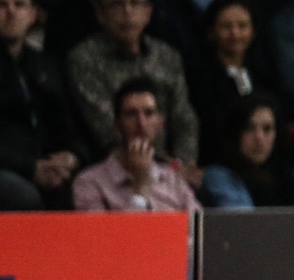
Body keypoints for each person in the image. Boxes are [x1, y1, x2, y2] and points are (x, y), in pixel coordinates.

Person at [67, 0, 201, 169]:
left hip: (173, 168)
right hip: (116, 166)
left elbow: (184, 118)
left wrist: (182, 164)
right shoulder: (84, 58)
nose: (128, 11)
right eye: (117, 4)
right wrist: (163, 169)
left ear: (148, 13)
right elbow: (106, 128)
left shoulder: (167, 56)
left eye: (135, 3)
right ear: (101, 15)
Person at [0, 0, 86, 210]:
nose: (11, 12)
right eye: (1, 5)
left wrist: (71, 155)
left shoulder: (47, 65)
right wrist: (30, 167)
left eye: (19, 5)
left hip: (46, 164)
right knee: (21, 196)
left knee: (89, 188)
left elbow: (70, 122)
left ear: (33, 15)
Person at [72, 78, 200, 212]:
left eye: (149, 113)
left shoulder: (173, 179)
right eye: (131, 114)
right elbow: (98, 233)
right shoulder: (89, 182)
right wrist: (141, 188)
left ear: (160, 122)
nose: (141, 124)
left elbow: (199, 229)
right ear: (117, 123)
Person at [186, 0, 264, 167]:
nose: (235, 34)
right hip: (220, 163)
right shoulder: (198, 77)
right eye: (226, 26)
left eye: (242, 26)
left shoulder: (262, 74)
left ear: (253, 31)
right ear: (211, 32)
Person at [201, 94, 294, 208]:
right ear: (236, 133)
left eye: (267, 129)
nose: (259, 138)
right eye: (249, 128)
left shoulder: (293, 178)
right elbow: (245, 224)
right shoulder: (220, 176)